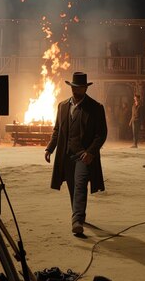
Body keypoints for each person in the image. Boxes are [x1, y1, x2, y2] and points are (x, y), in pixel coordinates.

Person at [45, 72, 107, 235]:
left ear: (85, 89)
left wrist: (91, 152)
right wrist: (50, 148)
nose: (76, 90)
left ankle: (77, 220)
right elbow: (57, 130)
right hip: (66, 154)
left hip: (83, 155)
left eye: (79, 88)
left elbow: (101, 134)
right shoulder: (62, 106)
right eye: (74, 87)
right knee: (72, 186)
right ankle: (79, 215)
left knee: (80, 185)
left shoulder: (96, 108)